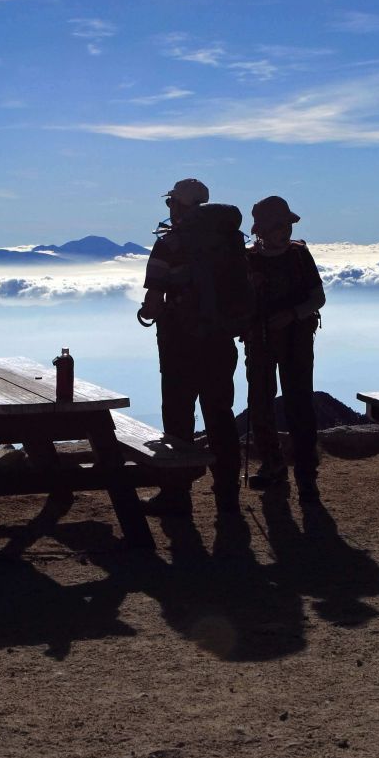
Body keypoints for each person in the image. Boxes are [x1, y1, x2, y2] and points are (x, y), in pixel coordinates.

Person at [136, 178, 247, 517]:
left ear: (181, 206)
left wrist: (147, 312)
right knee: (220, 414)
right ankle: (226, 495)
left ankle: (176, 494)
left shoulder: (170, 244)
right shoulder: (231, 243)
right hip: (220, 341)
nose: (169, 209)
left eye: (172, 204)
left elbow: (154, 300)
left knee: (178, 416)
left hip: (179, 342)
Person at [243, 196, 326, 500]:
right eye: (280, 225)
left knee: (299, 402)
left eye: (288, 225)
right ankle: (274, 464)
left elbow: (318, 298)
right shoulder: (248, 259)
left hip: (294, 339)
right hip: (264, 340)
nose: (286, 231)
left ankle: (304, 468)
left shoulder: (299, 256)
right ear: (262, 228)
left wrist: (291, 315)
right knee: (261, 403)